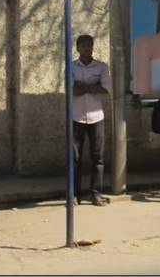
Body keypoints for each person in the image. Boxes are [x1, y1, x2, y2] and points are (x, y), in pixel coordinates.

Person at [71, 34, 111, 206]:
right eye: (84, 45)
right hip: (76, 117)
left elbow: (106, 89)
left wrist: (83, 86)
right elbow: (72, 90)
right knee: (74, 158)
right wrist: (93, 87)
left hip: (96, 117)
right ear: (78, 48)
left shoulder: (101, 67)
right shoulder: (71, 67)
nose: (87, 48)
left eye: (90, 45)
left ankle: (95, 193)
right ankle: (74, 195)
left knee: (98, 157)